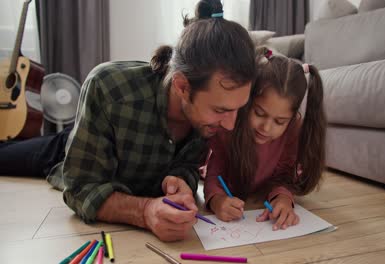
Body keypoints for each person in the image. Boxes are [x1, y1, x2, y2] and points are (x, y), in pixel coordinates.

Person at [0, 0, 256, 242]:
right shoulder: (109, 89)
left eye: (237, 110)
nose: (230, 125)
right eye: (220, 110)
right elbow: (80, 188)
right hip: (78, 145)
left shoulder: (209, 114)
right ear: (182, 86)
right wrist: (145, 211)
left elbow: (188, 165)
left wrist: (181, 181)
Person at [203, 48, 326, 231]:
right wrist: (217, 200)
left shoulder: (293, 130)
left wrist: (282, 198)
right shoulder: (230, 124)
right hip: (229, 185)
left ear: (292, 118)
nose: (266, 128)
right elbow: (216, 170)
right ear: (248, 102)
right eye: (259, 113)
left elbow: (284, 175)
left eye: (280, 121)